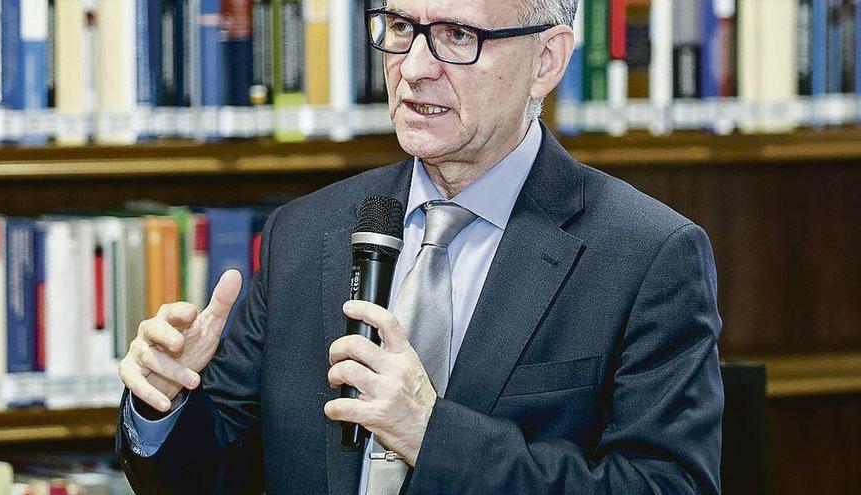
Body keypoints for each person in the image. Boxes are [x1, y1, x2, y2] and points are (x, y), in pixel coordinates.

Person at [116, 0, 724, 493]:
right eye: (402, 28)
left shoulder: (646, 256)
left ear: (547, 59)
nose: (413, 68)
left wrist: (432, 437)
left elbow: (664, 486)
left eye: (457, 36)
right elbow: (219, 472)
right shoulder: (303, 233)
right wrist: (165, 405)